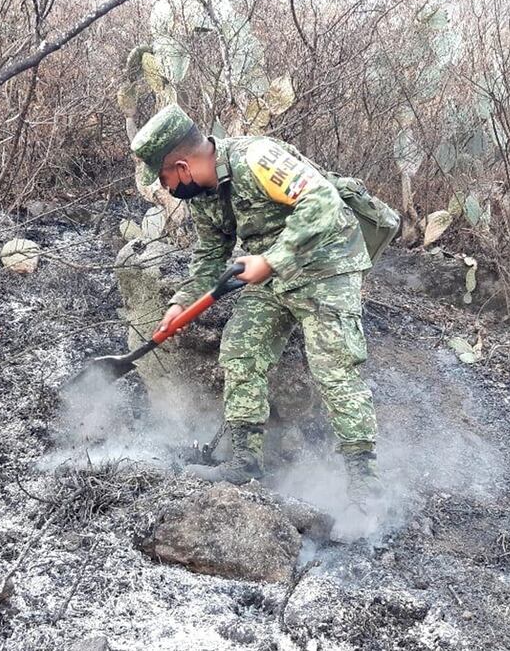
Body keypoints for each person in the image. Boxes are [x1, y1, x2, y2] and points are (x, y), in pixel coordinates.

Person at [131, 104, 380, 540]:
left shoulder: (256, 158)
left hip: (327, 265)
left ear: (182, 166)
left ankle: (365, 487)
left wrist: (272, 259)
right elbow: (209, 257)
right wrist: (182, 301)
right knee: (241, 349)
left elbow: (322, 200)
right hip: (272, 274)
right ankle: (245, 461)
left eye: (165, 180)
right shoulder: (204, 197)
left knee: (335, 371)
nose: (166, 189)